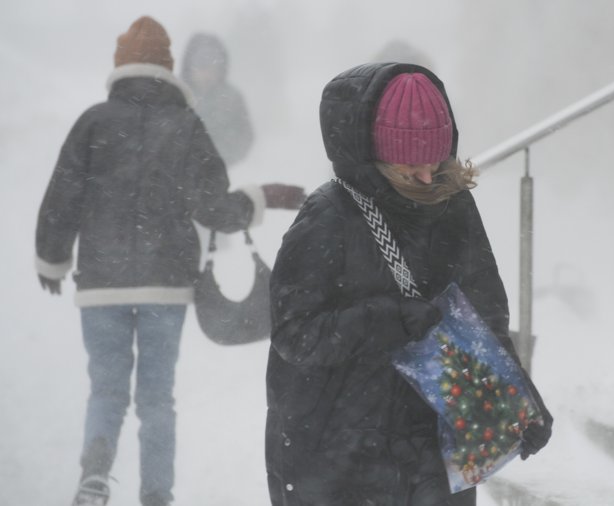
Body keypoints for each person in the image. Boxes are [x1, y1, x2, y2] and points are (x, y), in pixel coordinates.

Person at [34, 16, 297, 506]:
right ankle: (157, 494)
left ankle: (94, 474)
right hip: (165, 287)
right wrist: (261, 199)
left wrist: (51, 259)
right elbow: (214, 206)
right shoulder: (185, 125)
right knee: (157, 399)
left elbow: (62, 197)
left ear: (120, 67)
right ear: (169, 70)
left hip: (101, 286)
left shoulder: (93, 122)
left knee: (107, 391)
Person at [265, 63, 553, 506]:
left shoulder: (454, 205)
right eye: (410, 164)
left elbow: (484, 314)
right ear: (376, 152)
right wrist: (386, 319)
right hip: (339, 454)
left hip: (436, 444)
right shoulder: (330, 216)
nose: (426, 176)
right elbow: (295, 335)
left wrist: (516, 399)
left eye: (435, 160)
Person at [180, 32, 254, 168]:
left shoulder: (231, 98)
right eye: (202, 67)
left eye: (213, 68)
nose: (207, 74)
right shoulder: (177, 95)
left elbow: (245, 136)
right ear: (189, 67)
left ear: (221, 68)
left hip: (220, 174)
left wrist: (219, 158)